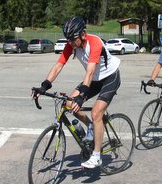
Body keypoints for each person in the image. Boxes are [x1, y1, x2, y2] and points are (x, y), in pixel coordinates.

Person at [33, 16, 121, 169]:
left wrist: (81, 97)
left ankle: (96, 156)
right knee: (68, 104)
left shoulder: (94, 42)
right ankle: (91, 127)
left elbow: (90, 71)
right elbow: (58, 66)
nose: (70, 43)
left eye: (73, 39)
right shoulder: (71, 45)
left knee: (96, 113)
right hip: (93, 80)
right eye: (68, 40)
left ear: (83, 34)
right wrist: (44, 86)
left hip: (110, 78)